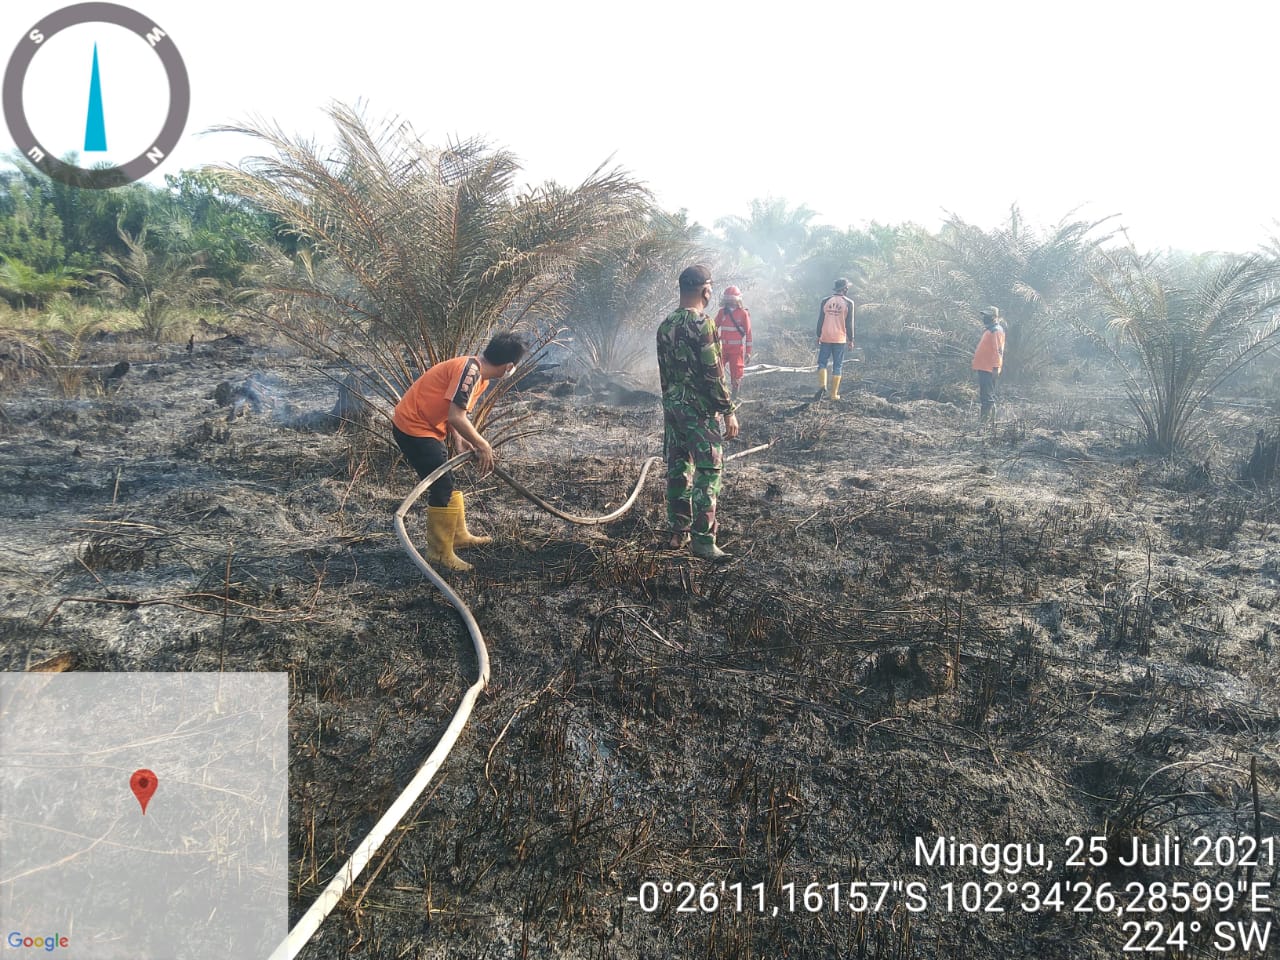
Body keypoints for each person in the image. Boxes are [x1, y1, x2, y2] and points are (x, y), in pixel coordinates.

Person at [392, 332, 526, 571]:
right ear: (509, 366)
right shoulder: (470, 373)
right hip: (414, 428)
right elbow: (456, 415)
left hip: (428, 428)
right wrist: (483, 445)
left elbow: (454, 413)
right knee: (441, 485)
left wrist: (462, 440)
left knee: (447, 480)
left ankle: (458, 536)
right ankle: (439, 553)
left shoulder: (478, 375)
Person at [656, 264, 740, 560]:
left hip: (673, 408)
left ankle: (677, 532)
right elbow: (714, 374)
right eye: (711, 288)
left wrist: (671, 407)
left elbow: (664, 375)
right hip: (699, 412)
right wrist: (728, 410)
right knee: (708, 469)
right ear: (705, 290)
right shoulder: (703, 324)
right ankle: (703, 540)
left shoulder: (665, 325)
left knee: (678, 468)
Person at [815, 278, 855, 400]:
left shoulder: (825, 301)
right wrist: (851, 339)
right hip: (839, 338)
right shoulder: (849, 303)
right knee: (837, 366)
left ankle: (823, 386)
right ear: (845, 289)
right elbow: (849, 323)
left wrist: (818, 335)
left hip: (826, 336)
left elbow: (820, 320)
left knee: (822, 363)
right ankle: (833, 395)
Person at [713, 285, 752, 400]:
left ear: (737, 300)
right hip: (722, 348)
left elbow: (749, 334)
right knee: (717, 371)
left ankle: (734, 397)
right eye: (728, 299)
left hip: (736, 350)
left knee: (736, 374)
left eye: (732, 299)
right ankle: (721, 396)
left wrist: (748, 352)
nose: (730, 302)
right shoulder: (721, 313)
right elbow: (713, 328)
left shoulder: (743, 314)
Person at [971, 306, 1005, 423]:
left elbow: (998, 351)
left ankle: (985, 423)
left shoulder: (995, 331)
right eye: (984, 315)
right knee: (986, 395)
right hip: (984, 367)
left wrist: (996, 367)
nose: (984, 318)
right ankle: (989, 422)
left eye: (987, 316)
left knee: (987, 397)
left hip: (989, 368)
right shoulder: (990, 329)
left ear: (994, 317)